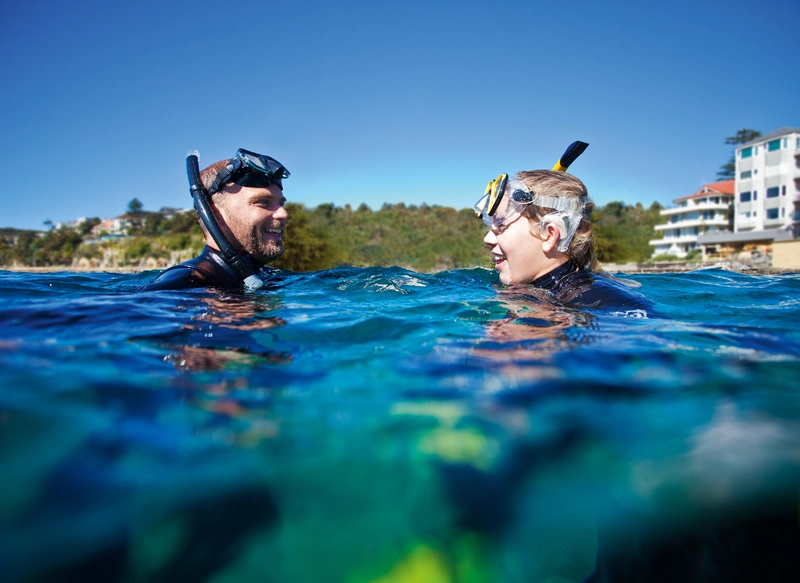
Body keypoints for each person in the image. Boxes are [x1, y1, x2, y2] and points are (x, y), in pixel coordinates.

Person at [473, 161, 653, 316]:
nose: (487, 238)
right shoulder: (554, 292)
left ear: (550, 235)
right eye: (491, 226)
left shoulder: (594, 301)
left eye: (502, 224)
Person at [141, 148, 290, 291]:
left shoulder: (267, 275)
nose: (284, 214)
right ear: (215, 214)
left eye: (281, 203)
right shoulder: (185, 285)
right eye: (263, 202)